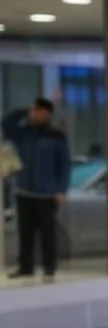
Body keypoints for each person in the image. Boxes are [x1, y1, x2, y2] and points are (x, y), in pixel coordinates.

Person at [1, 98, 71, 282]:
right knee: (25, 233)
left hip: (46, 194)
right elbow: (6, 123)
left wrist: (62, 189)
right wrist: (25, 110)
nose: (34, 114)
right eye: (33, 111)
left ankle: (49, 268)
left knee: (47, 233)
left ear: (47, 114)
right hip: (24, 191)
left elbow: (64, 165)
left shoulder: (56, 136)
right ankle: (26, 267)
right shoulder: (24, 133)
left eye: (37, 111)